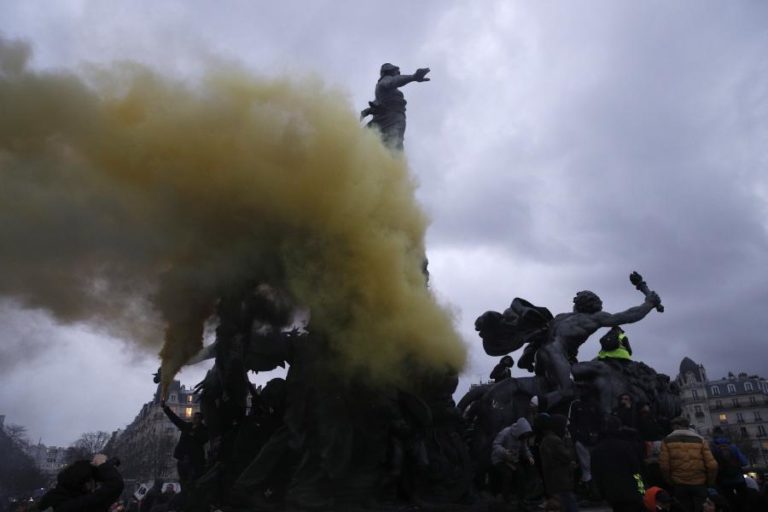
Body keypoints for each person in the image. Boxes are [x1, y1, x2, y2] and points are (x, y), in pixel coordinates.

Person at [536, 290, 661, 411]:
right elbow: (628, 316)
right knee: (567, 391)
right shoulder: (594, 318)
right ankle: (535, 404)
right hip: (556, 354)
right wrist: (649, 304)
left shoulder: (561, 317)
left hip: (541, 355)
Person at [360, 63, 430, 150]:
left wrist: (365, 113)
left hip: (391, 118)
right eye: (396, 71)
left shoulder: (383, 90)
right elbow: (393, 81)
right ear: (388, 72)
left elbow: (370, 109)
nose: (399, 73)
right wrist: (413, 77)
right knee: (392, 144)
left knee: (391, 144)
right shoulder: (385, 81)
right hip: (390, 118)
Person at [658, 417, 718, 512]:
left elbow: (664, 466)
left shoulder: (667, 441)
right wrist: (709, 482)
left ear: (675, 426)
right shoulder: (700, 440)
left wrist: (670, 481)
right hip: (699, 483)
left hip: (679, 484)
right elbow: (712, 465)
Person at [591, 416, 645, 512]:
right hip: (631, 491)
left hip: (611, 493)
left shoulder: (597, 449)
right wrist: (641, 489)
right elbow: (636, 471)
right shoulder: (626, 446)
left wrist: (601, 492)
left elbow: (596, 474)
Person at [36, 454, 124, 512]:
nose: (96, 487)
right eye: (94, 483)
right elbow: (116, 484)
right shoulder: (71, 506)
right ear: (87, 484)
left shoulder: (56, 499)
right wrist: (102, 464)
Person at [161, 400, 209, 488]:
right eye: (194, 417)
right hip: (182, 458)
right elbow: (175, 419)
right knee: (183, 481)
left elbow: (204, 439)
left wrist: (193, 434)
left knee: (192, 482)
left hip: (194, 461)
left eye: (196, 418)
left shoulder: (204, 430)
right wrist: (166, 408)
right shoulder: (187, 426)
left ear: (200, 420)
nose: (194, 419)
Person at [491, 417, 534, 508]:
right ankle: (504, 497)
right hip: (499, 459)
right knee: (507, 474)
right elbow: (496, 445)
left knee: (521, 474)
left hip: (512, 460)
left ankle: (521, 498)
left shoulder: (522, 437)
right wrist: (504, 452)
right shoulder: (506, 432)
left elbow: (524, 448)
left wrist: (529, 456)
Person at [539, 414, 579, 512]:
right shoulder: (554, 441)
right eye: (565, 426)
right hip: (561, 483)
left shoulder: (547, 439)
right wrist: (569, 441)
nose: (566, 429)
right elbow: (568, 456)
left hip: (555, 482)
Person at [709, 426, 748, 511]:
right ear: (723, 434)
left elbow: (712, 466)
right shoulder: (732, 446)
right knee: (744, 502)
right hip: (739, 478)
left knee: (730, 503)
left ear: (713, 436)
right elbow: (744, 462)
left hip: (724, 481)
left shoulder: (712, 448)